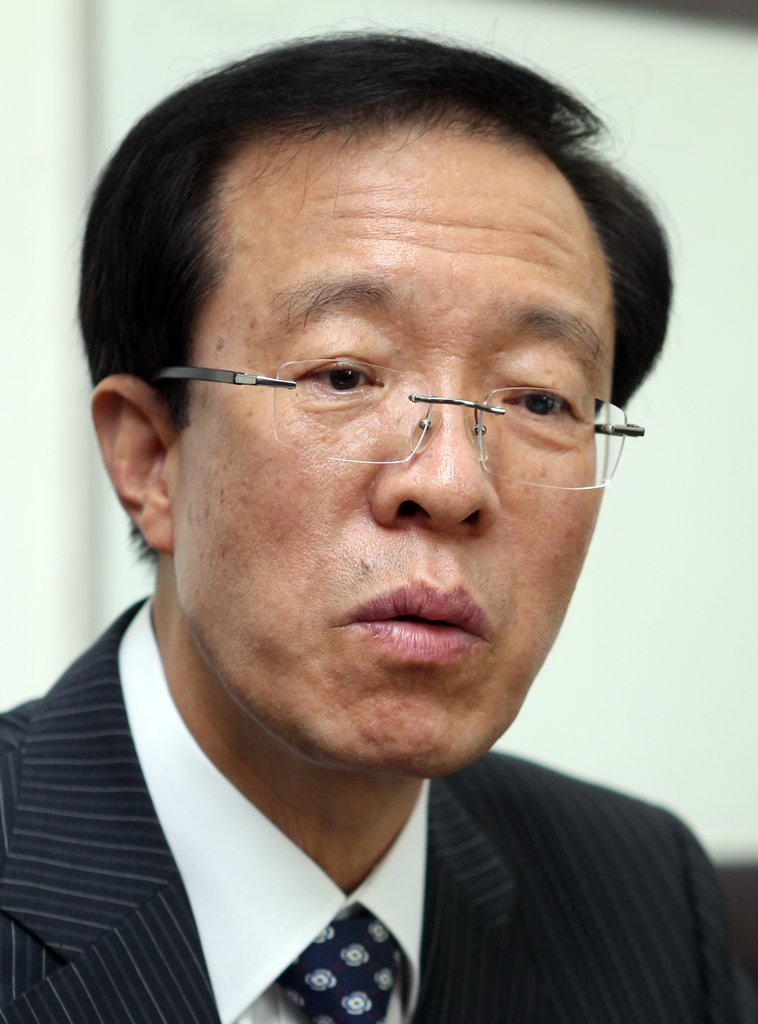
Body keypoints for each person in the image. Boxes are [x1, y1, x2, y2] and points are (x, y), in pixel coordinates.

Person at [0, 33, 754, 1024]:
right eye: (344, 375)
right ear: (149, 457)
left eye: (539, 399)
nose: (450, 483)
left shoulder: (643, 897)